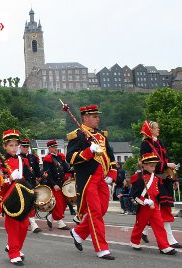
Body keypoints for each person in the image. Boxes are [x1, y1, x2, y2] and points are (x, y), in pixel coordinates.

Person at [66, 105, 117, 260]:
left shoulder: (102, 135)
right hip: (88, 180)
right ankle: (102, 248)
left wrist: (112, 174)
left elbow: (110, 155)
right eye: (94, 116)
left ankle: (79, 232)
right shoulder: (78, 135)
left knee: (102, 210)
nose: (98, 118)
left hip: (101, 178)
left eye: (97, 116)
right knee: (95, 214)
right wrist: (89, 152)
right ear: (85, 118)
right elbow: (70, 158)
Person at [0, 129, 36, 266]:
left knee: (24, 226)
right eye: (10, 145)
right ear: (5, 146)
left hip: (21, 195)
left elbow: (27, 178)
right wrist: (10, 178)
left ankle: (16, 248)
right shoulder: (0, 162)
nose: (14, 148)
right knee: (13, 226)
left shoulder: (21, 160)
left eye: (16, 145)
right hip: (8, 197)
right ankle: (13, 253)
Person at [139, 120, 181, 248]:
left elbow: (165, 158)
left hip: (165, 178)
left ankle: (143, 230)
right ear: (150, 130)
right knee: (163, 208)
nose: (159, 130)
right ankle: (170, 239)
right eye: (156, 128)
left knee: (155, 209)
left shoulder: (160, 142)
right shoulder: (145, 144)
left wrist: (173, 177)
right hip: (154, 179)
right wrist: (166, 165)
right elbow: (147, 163)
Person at [129, 153, 177, 255]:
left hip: (154, 205)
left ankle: (164, 246)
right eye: (151, 166)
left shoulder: (155, 177)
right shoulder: (138, 177)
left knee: (159, 225)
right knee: (140, 225)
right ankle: (134, 240)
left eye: (154, 166)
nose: (153, 168)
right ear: (144, 165)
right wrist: (145, 201)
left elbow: (159, 191)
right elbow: (134, 195)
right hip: (144, 206)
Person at [42, 140, 71, 230]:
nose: (55, 149)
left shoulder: (60, 157)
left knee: (63, 203)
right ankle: (60, 223)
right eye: (53, 147)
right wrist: (54, 184)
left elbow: (67, 169)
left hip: (62, 183)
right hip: (54, 184)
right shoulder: (47, 159)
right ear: (49, 148)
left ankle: (50, 216)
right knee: (58, 203)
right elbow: (48, 174)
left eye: (56, 147)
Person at [17, 139, 42, 233]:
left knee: (31, 204)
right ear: (20, 147)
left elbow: (37, 169)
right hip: (22, 184)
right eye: (24, 147)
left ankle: (32, 223)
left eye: (27, 147)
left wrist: (40, 176)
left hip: (31, 183)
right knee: (24, 204)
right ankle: (31, 223)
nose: (25, 148)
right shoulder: (18, 158)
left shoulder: (33, 157)